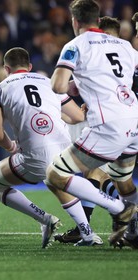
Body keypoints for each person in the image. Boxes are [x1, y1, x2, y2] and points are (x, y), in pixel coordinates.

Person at [0, 47, 103, 247]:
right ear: (30, 66)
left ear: (6, 69)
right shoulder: (47, 81)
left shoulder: (0, 88)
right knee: (56, 178)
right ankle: (89, 233)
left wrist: (11, 145)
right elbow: (76, 117)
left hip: (34, 156)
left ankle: (45, 219)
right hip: (67, 153)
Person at [46, 0, 138, 248]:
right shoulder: (125, 45)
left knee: (55, 174)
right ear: (98, 20)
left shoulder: (75, 46)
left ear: (74, 21)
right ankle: (134, 233)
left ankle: (120, 209)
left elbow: (57, 86)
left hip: (109, 125)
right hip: (134, 121)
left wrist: (69, 81)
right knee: (123, 179)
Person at [54, 15, 122, 244]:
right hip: (121, 120)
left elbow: (64, 87)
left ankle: (127, 215)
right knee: (96, 173)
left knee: (74, 172)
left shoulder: (109, 54)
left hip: (116, 121)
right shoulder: (125, 54)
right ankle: (90, 226)